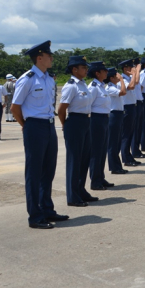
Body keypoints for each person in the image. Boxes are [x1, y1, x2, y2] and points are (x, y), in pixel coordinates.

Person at [11, 40, 67, 229]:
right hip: (34, 126)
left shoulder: (49, 78)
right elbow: (14, 107)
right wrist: (26, 125)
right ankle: (35, 216)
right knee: (34, 173)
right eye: (49, 56)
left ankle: (47, 209)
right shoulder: (27, 79)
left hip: (49, 125)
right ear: (39, 58)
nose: (52, 58)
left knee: (48, 171)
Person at [57, 55, 98, 207]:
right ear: (74, 69)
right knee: (74, 161)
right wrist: (65, 125)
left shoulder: (83, 84)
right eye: (83, 67)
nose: (87, 70)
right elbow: (61, 109)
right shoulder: (71, 86)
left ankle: (81, 190)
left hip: (86, 121)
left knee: (84, 158)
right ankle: (73, 196)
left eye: (86, 67)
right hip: (74, 122)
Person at [87, 61, 115, 191]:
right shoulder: (93, 87)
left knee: (102, 150)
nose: (106, 72)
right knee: (96, 152)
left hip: (104, 119)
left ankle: (100, 177)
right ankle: (95, 181)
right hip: (96, 120)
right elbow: (88, 106)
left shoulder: (101, 86)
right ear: (97, 73)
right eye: (103, 70)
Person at [105, 67, 128, 175]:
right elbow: (123, 92)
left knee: (117, 141)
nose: (118, 78)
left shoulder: (114, 86)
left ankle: (117, 166)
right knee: (113, 143)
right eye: (116, 76)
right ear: (111, 78)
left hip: (119, 114)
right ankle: (114, 167)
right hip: (113, 115)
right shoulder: (109, 87)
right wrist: (122, 80)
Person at [119, 59, 141, 168]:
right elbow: (131, 87)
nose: (132, 69)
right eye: (130, 67)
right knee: (126, 135)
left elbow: (136, 82)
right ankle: (126, 158)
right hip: (126, 108)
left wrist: (134, 74)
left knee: (130, 133)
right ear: (125, 69)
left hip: (132, 106)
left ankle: (129, 156)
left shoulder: (128, 78)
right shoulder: (123, 79)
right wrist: (133, 74)